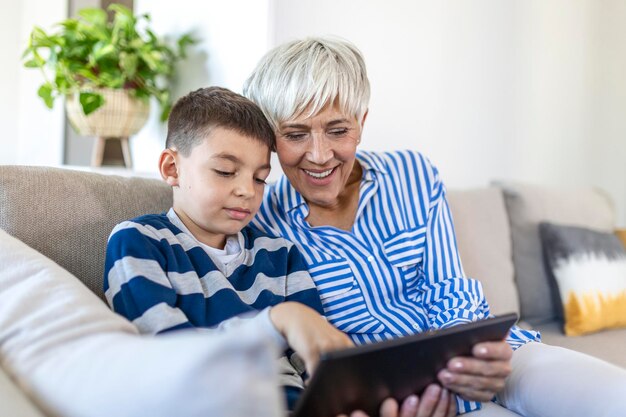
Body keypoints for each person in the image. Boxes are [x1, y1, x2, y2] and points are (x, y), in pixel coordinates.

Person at [243, 37, 626, 417]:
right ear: (271, 139)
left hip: (482, 357)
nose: (320, 155)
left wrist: (466, 361)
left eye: (338, 130)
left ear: (361, 122)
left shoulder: (413, 174)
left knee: (614, 396)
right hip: (391, 397)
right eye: (295, 135)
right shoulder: (261, 222)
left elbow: (448, 286)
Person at [103, 86, 353, 411]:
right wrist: (274, 322)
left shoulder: (281, 255)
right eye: (225, 171)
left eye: (260, 178)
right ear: (171, 168)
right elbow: (167, 358)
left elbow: (315, 362)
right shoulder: (139, 242)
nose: (247, 191)